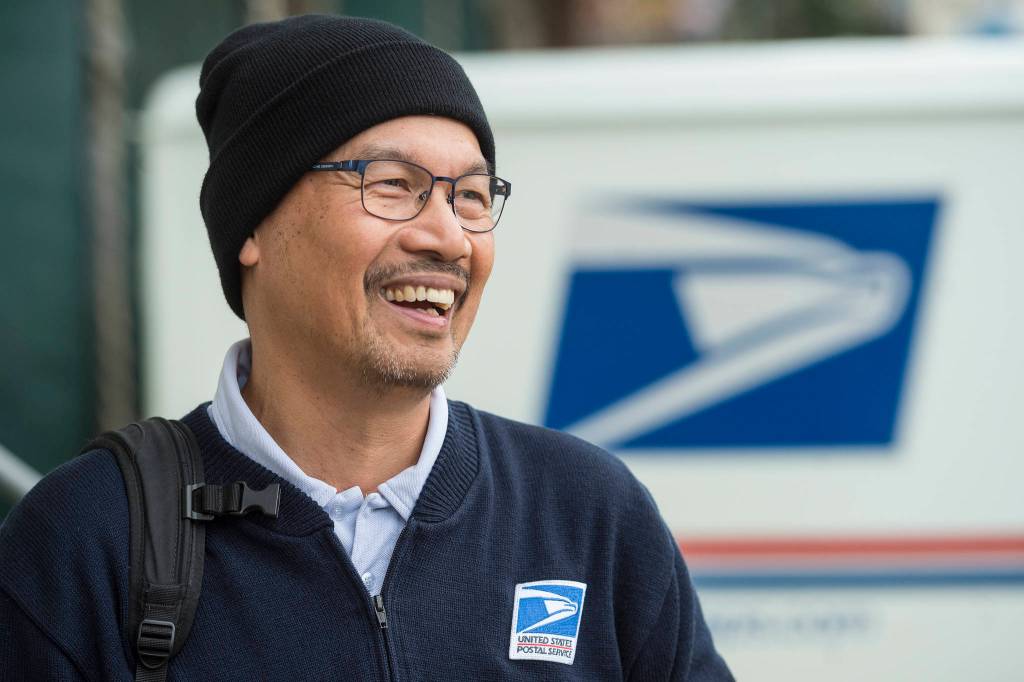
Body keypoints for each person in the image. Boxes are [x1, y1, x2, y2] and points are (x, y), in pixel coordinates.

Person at [0, 14, 732, 680]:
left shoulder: (587, 516)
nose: (448, 236)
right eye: (391, 184)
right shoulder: (87, 539)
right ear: (252, 227)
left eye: (470, 196)